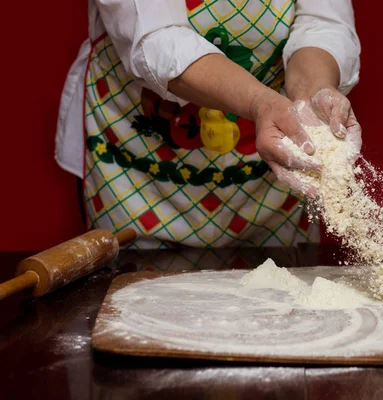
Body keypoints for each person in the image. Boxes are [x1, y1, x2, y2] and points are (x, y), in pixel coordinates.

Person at [55, 0, 362, 249]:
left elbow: (322, 23)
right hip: (140, 165)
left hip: (264, 165)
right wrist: (261, 103)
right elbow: (156, 37)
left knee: (276, 301)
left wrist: (312, 100)